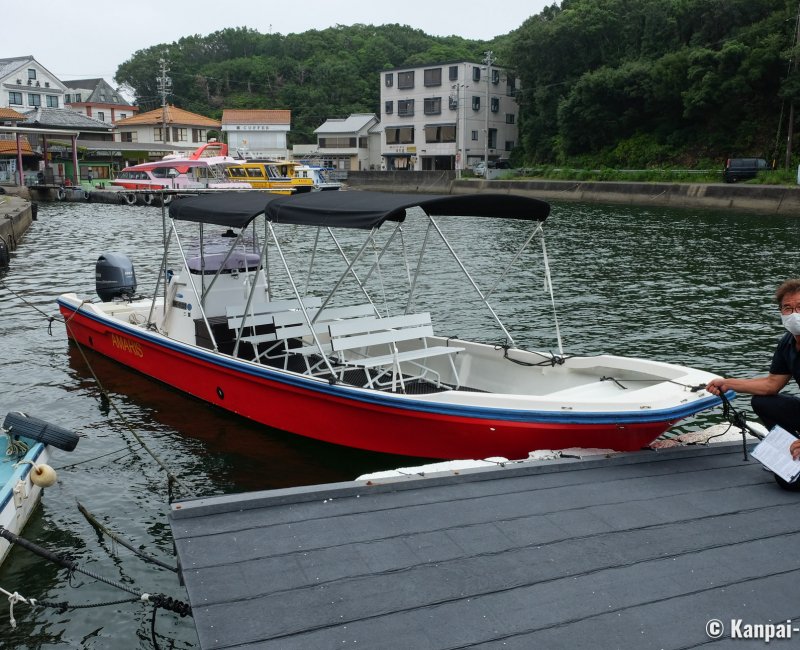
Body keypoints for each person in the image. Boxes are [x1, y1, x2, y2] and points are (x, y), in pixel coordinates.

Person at [706, 278, 800, 466]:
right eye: (787, 308)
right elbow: (771, 385)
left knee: (792, 486)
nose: (794, 314)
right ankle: (789, 456)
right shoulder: (787, 342)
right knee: (762, 401)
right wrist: (728, 384)